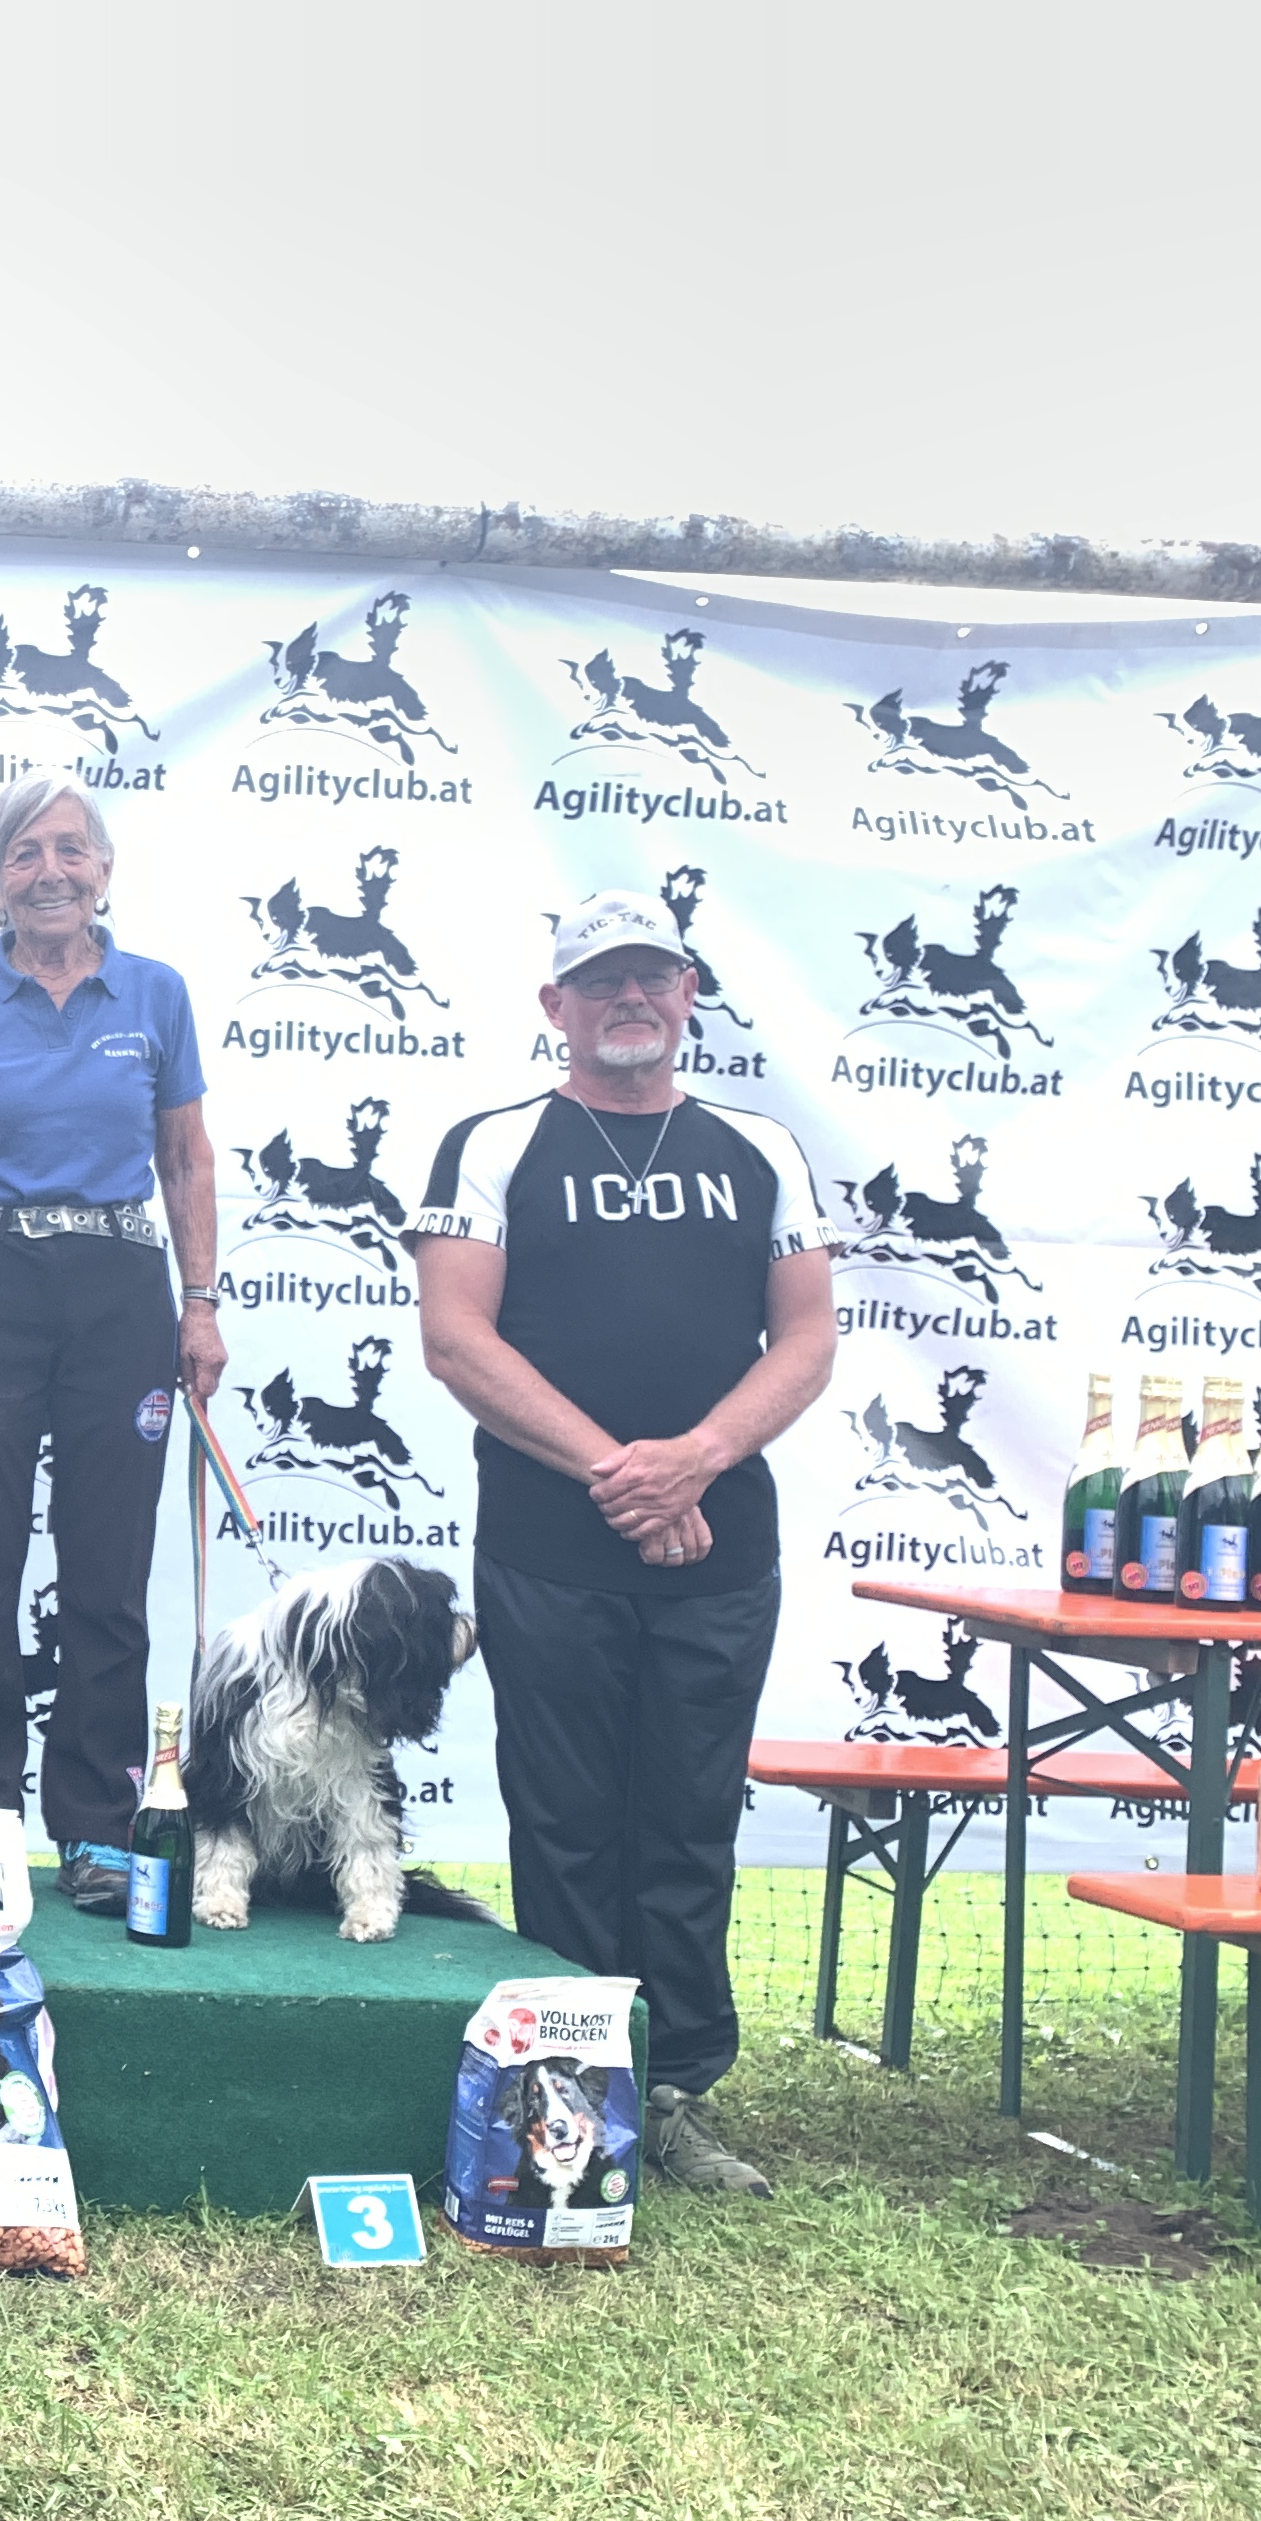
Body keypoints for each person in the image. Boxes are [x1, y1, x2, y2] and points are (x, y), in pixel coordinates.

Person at [408, 890, 836, 2195]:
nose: (630, 998)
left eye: (653, 976)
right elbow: (456, 1340)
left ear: (690, 994)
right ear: (557, 1006)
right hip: (549, 1548)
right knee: (566, 1824)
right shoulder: (492, 1144)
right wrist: (624, 1473)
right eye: (601, 981)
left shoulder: (760, 1147)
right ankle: (569, 2092)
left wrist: (697, 1458)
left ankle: (681, 2087)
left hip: (722, 1550)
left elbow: (808, 1338)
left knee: (688, 1823)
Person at [0, 782, 217, 1865]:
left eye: (72, 850)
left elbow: (186, 1161)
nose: (50, 872)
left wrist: (201, 1304)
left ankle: (98, 1829)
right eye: (24, 854)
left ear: (105, 870)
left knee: (108, 1570)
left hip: (120, 1288)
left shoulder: (156, 994)